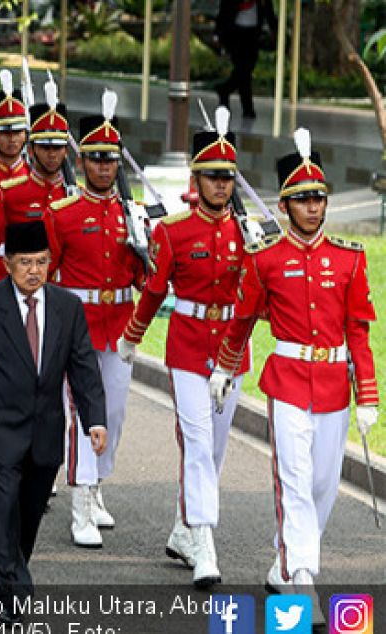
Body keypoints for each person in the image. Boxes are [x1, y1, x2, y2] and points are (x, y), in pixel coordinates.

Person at [211, 129, 377, 623]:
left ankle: (285, 566)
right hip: (286, 383)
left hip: (332, 388)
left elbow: (359, 333)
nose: (314, 208)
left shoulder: (350, 260)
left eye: (320, 199)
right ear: (284, 206)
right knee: (295, 481)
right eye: (303, 200)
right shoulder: (265, 260)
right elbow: (241, 320)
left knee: (324, 485)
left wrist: (367, 395)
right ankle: (302, 578)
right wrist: (224, 367)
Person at [0, 221, 106, 623]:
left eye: (40, 262)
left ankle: (14, 572)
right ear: (7, 264)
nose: (33, 270)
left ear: (50, 263)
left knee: (30, 513)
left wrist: (95, 421)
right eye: (25, 263)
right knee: (4, 507)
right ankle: (10, 585)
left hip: (46, 431)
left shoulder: (67, 307)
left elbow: (84, 367)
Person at [117, 112, 248, 588]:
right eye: (213, 177)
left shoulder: (248, 235)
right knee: (195, 441)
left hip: (231, 351)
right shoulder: (173, 231)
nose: (221, 185)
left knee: (212, 450)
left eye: (228, 177)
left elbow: (255, 297)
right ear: (196, 179)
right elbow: (153, 291)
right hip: (189, 350)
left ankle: (182, 525)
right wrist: (132, 336)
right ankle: (205, 543)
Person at [47, 101, 145, 549]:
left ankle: (97, 483)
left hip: (121, 326)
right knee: (84, 414)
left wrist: (147, 248)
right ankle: (81, 500)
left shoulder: (134, 214)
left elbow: (147, 278)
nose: (104, 166)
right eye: (96, 157)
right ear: (81, 160)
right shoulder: (63, 212)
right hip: (78, 325)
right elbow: (45, 274)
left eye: (111, 158)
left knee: (116, 414)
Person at [0, 96, 71, 289]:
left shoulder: (74, 195)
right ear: (30, 150)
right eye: (45, 147)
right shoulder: (10, 193)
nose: (52, 154)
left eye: (58, 147)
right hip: (8, 279)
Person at [215, 0, 276, 119]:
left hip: (253, 34)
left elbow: (269, 12)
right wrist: (218, 34)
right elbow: (224, 11)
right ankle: (247, 108)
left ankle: (225, 90)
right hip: (235, 33)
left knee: (246, 70)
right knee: (243, 69)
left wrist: (274, 30)